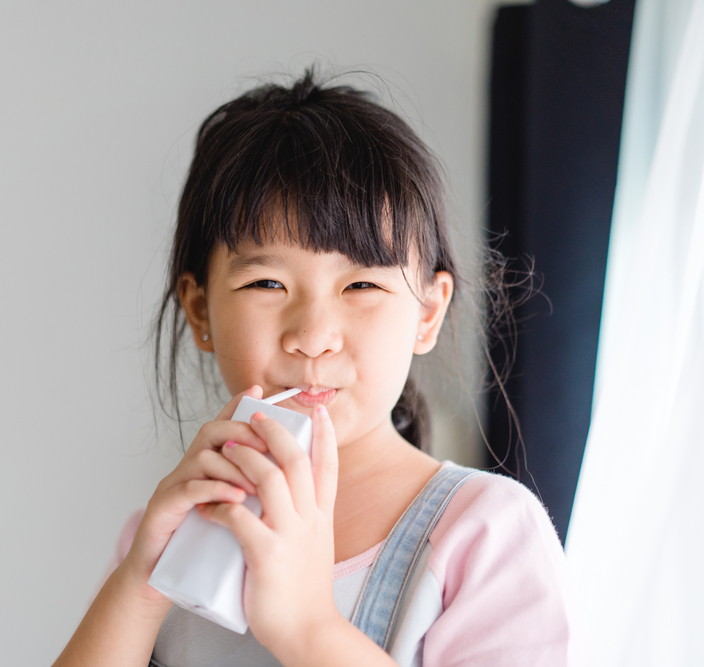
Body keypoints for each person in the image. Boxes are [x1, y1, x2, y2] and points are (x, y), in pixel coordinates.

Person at [53, 69, 572, 667]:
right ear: (200, 309)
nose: (313, 337)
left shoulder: (485, 535)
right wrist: (141, 581)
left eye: (361, 284)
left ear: (427, 314)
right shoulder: (157, 536)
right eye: (267, 281)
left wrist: (308, 628)